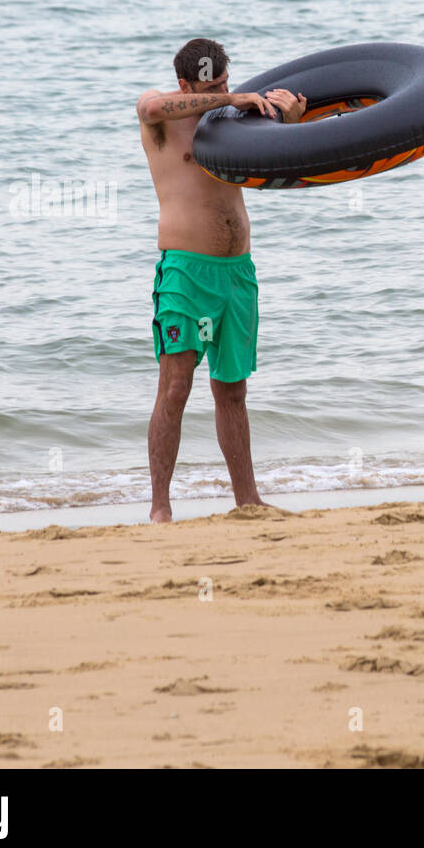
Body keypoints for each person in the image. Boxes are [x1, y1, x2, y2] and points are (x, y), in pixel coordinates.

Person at [136, 38, 306, 523]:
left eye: (229, 82)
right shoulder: (163, 121)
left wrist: (286, 123)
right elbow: (149, 105)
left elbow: (277, 171)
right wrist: (229, 100)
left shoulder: (236, 124)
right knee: (175, 386)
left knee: (233, 390)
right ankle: (160, 508)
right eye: (212, 86)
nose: (227, 91)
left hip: (237, 274)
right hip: (186, 274)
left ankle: (247, 501)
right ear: (186, 86)